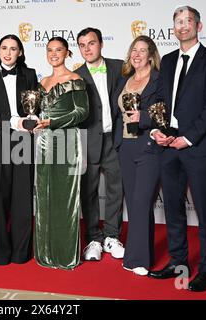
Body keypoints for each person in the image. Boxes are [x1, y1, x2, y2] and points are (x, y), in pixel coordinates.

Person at [148, 6, 206, 292]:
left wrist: (188, 138)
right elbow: (160, 101)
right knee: (173, 208)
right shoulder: (167, 61)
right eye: (178, 22)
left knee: (205, 210)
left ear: (199, 26)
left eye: (187, 21)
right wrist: (157, 130)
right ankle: (178, 262)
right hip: (168, 146)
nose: (183, 26)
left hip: (198, 146)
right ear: (174, 28)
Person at [0, 34, 37, 265]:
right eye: (4, 48)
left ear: (20, 53)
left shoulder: (30, 75)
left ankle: (21, 253)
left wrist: (32, 119)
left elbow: (37, 106)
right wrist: (13, 122)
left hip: (24, 140)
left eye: (13, 48)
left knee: (22, 198)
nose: (8, 52)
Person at [34, 37, 89, 270]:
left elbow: (83, 113)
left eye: (58, 50)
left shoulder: (76, 80)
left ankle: (65, 254)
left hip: (66, 141)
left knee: (66, 199)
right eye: (49, 50)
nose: (53, 54)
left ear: (67, 53)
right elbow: (36, 113)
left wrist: (53, 122)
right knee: (44, 196)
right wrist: (34, 122)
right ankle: (45, 253)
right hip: (43, 143)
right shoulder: (42, 82)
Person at [112, 35, 162, 276]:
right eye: (134, 50)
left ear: (151, 55)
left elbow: (168, 113)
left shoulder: (159, 80)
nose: (137, 54)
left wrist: (142, 118)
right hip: (126, 147)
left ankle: (138, 259)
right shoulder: (125, 80)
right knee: (133, 204)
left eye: (142, 50)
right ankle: (141, 253)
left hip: (148, 146)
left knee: (142, 203)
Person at [75, 27, 124, 261]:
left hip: (114, 139)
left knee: (116, 189)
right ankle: (94, 239)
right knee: (89, 192)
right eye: (82, 45)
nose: (87, 48)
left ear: (101, 44)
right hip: (88, 142)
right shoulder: (75, 76)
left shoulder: (120, 67)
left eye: (91, 43)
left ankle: (112, 236)